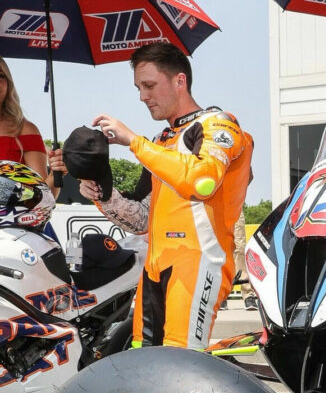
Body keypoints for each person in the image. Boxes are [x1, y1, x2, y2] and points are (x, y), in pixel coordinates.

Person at [58, 43, 253, 349]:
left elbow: (201, 183)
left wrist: (135, 142)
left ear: (179, 81)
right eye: (138, 87)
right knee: (142, 364)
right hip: (155, 266)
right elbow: (141, 220)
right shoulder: (161, 142)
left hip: (199, 262)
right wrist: (102, 192)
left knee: (179, 366)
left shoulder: (218, 125)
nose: (142, 96)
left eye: (149, 85)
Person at [0, 58, 50, 186]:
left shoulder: (24, 129)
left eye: (1, 75)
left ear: (8, 83)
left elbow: (43, 194)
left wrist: (57, 172)